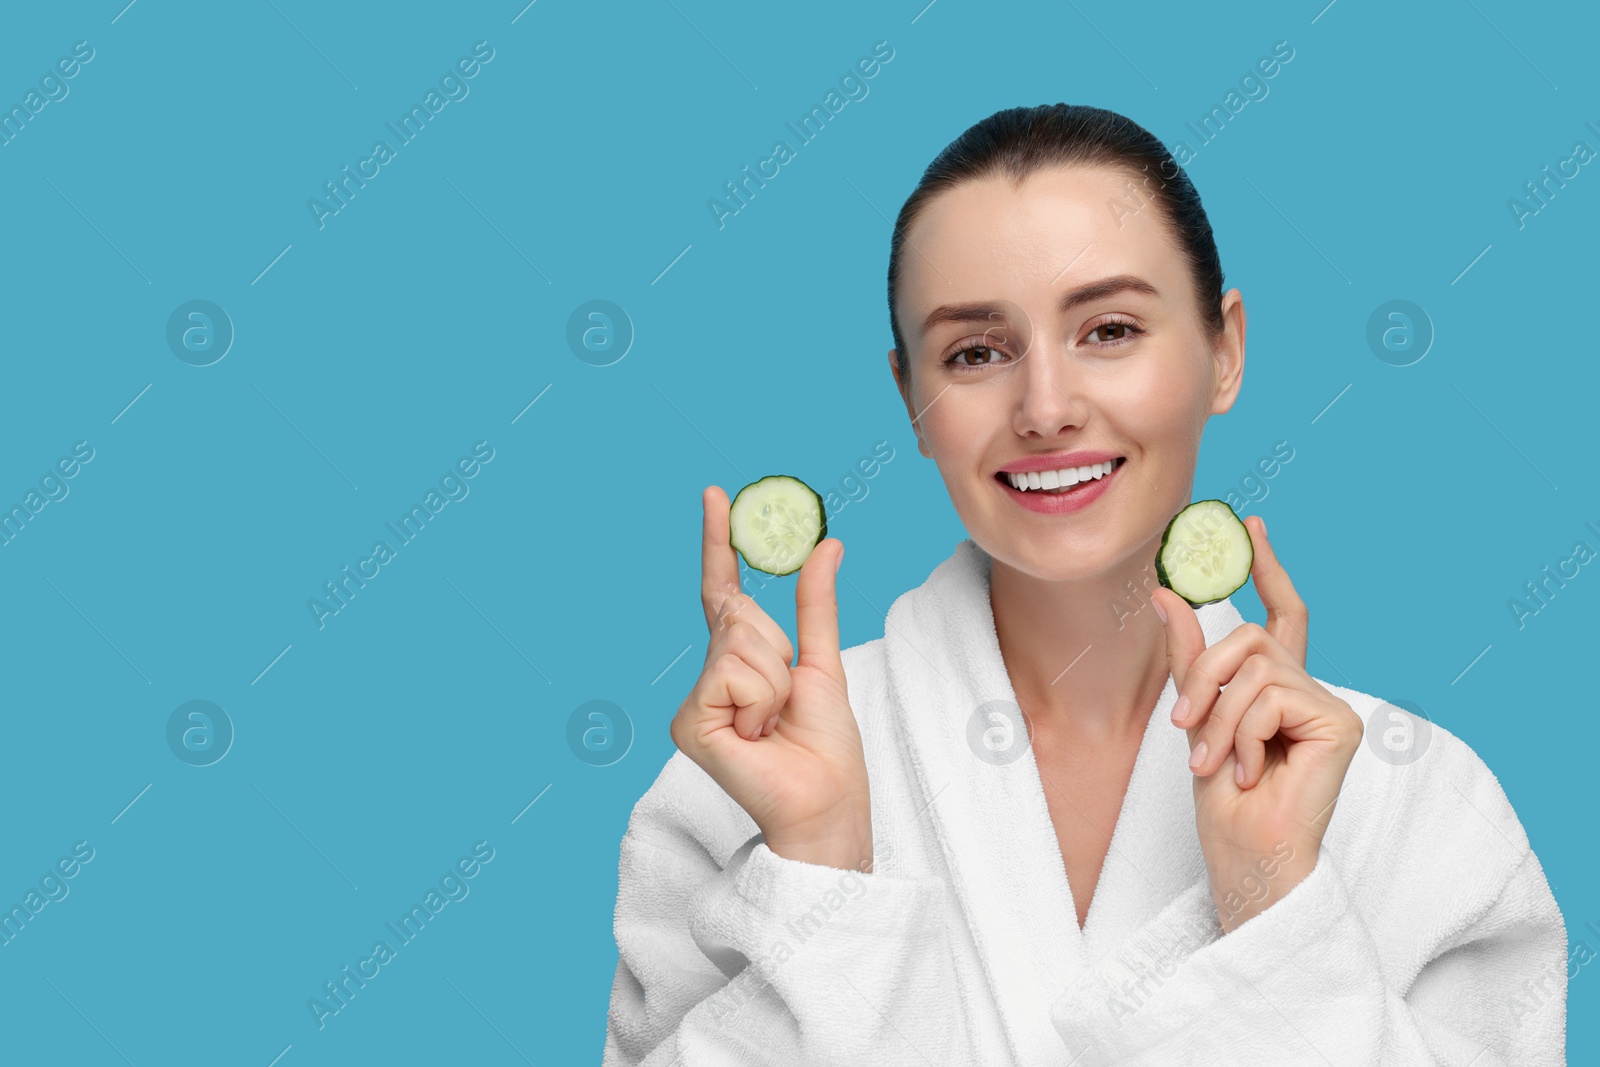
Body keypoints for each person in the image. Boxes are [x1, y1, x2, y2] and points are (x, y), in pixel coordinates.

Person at [601, 104, 1568, 1066]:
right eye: (976, 353)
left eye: (1108, 330)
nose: (1047, 409)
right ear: (912, 399)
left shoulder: (1417, 802)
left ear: (1224, 350)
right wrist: (820, 873)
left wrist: (1276, 911)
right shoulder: (737, 792)